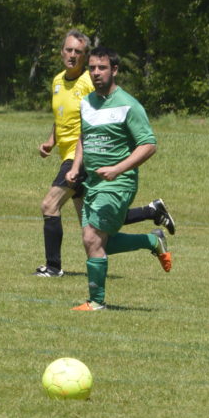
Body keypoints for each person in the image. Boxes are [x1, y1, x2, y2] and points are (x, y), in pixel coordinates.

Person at [36, 29, 176, 278]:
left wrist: (85, 163)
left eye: (78, 52)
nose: (72, 55)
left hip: (82, 158)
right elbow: (63, 116)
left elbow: (105, 114)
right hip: (72, 157)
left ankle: (53, 267)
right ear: (61, 52)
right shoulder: (57, 81)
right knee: (97, 231)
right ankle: (151, 221)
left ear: (85, 57)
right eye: (68, 50)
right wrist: (51, 141)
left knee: (50, 205)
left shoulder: (90, 81)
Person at [66, 46, 173, 311]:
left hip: (118, 183)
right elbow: (84, 138)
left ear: (114, 70)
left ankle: (96, 302)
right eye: (92, 68)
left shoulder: (129, 105)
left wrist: (118, 169)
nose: (96, 72)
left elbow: (148, 145)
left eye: (102, 68)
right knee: (98, 242)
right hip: (92, 183)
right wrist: (75, 167)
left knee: (93, 238)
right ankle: (152, 241)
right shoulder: (87, 103)